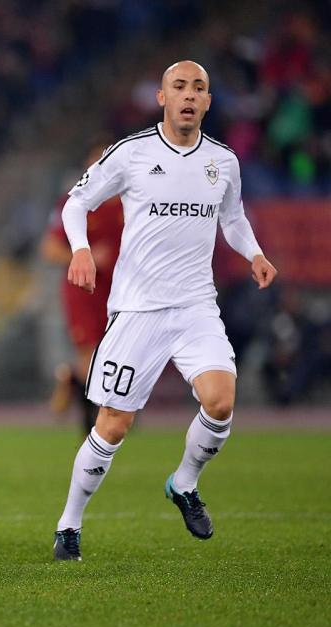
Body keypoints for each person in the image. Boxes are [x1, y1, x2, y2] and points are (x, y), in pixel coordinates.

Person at [52, 61, 278, 561]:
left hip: (196, 306)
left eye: (199, 88)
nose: (189, 95)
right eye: (179, 87)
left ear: (208, 102)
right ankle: (69, 525)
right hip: (138, 310)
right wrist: (81, 249)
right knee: (113, 425)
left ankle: (185, 483)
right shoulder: (131, 153)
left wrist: (255, 254)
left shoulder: (223, 161)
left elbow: (233, 218)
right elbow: (75, 203)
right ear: (162, 98)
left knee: (221, 402)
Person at [41, 142, 124, 435]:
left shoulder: (135, 202)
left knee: (117, 355)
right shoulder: (74, 202)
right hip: (85, 290)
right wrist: (83, 254)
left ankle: (73, 381)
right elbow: (50, 249)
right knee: (90, 352)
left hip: (122, 291)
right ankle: (91, 426)